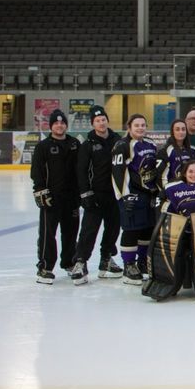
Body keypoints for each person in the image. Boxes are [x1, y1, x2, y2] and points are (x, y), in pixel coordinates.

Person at [145, 159, 195, 301]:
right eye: (191, 171)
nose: (194, 174)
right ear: (184, 173)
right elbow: (164, 210)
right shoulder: (172, 188)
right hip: (179, 229)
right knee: (172, 248)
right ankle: (172, 282)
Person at [72, 105, 123, 284]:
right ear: (93, 124)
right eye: (97, 121)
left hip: (115, 194)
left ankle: (107, 258)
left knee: (113, 228)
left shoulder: (118, 140)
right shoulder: (88, 145)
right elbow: (81, 170)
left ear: (107, 121)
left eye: (103, 120)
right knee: (89, 230)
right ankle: (80, 261)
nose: (101, 123)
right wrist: (85, 193)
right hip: (95, 195)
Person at [30, 109, 80, 284]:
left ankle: (69, 262)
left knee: (71, 233)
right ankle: (45, 267)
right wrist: (40, 192)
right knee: (47, 234)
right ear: (51, 126)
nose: (60, 125)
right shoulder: (42, 147)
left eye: (62, 123)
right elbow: (36, 172)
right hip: (51, 198)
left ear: (66, 125)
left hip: (71, 198)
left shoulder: (74, 144)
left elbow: (81, 171)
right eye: (56, 123)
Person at [111, 113, 158, 285]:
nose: (140, 128)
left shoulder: (151, 144)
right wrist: (123, 196)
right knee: (131, 230)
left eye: (143, 125)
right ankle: (128, 265)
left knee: (147, 229)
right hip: (132, 195)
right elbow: (117, 172)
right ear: (129, 127)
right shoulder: (122, 145)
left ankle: (142, 262)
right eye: (136, 125)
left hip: (149, 195)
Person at [154, 119, 195, 193]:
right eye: (177, 129)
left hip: (191, 192)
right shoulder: (165, 152)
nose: (181, 132)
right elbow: (161, 177)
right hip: (174, 192)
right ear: (172, 132)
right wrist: (167, 193)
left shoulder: (193, 150)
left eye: (183, 129)